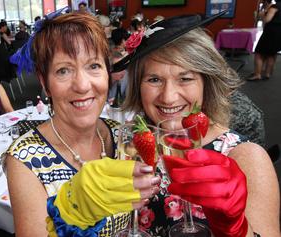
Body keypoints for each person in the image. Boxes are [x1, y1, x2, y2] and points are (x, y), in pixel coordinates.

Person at [113, 14, 280, 237]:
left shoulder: (248, 157)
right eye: (154, 79)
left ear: (206, 82)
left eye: (185, 78)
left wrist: (237, 229)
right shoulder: (131, 147)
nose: (169, 97)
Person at [7, 7, 157, 236]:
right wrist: (70, 212)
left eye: (93, 66)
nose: (83, 85)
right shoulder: (25, 160)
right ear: (44, 82)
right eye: (63, 70)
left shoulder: (122, 136)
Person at [248, 0, 281, 81]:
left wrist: (262, 15)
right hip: (279, 32)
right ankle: (267, 74)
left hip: (270, 33)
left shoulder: (275, 7)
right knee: (271, 54)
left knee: (258, 53)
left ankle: (257, 74)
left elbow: (267, 20)